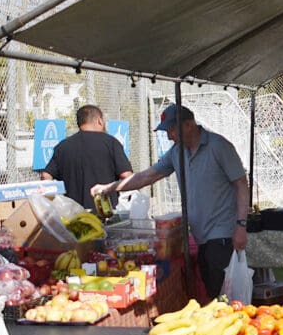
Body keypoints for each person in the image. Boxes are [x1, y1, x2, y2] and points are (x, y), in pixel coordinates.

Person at [91, 104, 248, 299]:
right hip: (200, 235)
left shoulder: (218, 146)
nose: (169, 136)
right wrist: (109, 187)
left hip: (222, 233)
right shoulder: (176, 152)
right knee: (210, 290)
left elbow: (241, 183)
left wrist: (241, 225)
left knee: (221, 294)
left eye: (172, 129)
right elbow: (147, 176)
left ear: (189, 125)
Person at [41, 105, 133, 212]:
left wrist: (55, 200)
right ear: (99, 121)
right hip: (105, 212)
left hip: (73, 214)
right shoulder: (111, 143)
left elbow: (45, 175)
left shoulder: (63, 146)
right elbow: (127, 176)